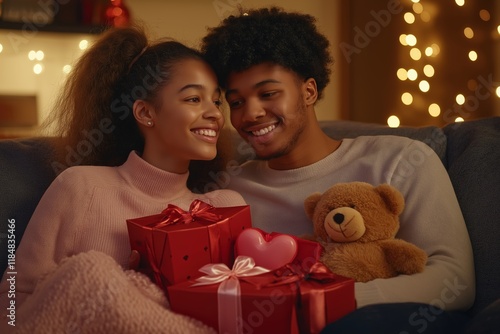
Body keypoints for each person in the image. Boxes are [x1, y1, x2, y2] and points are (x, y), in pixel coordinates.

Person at [200, 6, 474, 333]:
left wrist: (332, 302)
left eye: (268, 93)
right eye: (237, 102)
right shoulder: (232, 191)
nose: (251, 113)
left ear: (309, 91)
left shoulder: (401, 158)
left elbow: (454, 279)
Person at [0, 24, 245, 328]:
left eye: (217, 100)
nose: (215, 114)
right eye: (194, 99)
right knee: (92, 271)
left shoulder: (221, 208)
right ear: (145, 113)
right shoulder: (80, 186)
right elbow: (15, 297)